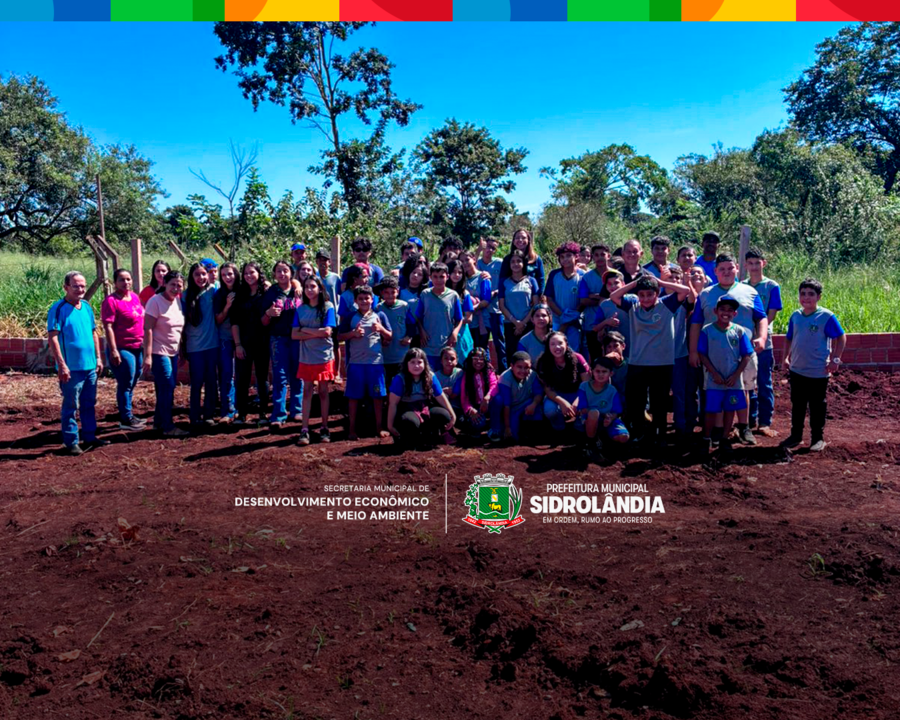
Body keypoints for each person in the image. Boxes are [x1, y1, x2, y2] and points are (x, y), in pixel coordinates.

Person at [689, 254, 768, 446]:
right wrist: (693, 351)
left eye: (730, 268)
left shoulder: (749, 292)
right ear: (715, 272)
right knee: (716, 389)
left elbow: (761, 317)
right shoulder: (706, 294)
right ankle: (717, 430)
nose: (726, 272)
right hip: (714, 354)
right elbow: (696, 322)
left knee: (744, 388)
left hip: (743, 353)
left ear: (737, 269)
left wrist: (762, 337)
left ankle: (744, 427)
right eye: (721, 269)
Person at [608, 274, 690, 448]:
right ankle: (639, 433)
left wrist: (659, 282)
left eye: (650, 294)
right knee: (636, 402)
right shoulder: (633, 306)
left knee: (659, 403)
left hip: (662, 364)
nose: (645, 299)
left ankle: (659, 435)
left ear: (657, 293)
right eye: (642, 295)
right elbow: (614, 296)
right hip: (638, 363)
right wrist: (635, 283)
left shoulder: (667, 304)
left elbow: (685, 290)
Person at [781, 278, 846, 452]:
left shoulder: (826, 317)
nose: (806, 298)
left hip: (818, 371)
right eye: (803, 294)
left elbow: (841, 337)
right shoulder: (795, 316)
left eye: (811, 294)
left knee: (817, 405)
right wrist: (785, 358)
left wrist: (835, 359)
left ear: (819, 297)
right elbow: (788, 338)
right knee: (798, 404)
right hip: (797, 369)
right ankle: (795, 436)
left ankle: (817, 438)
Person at [47, 271, 105, 455]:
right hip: (71, 369)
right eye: (75, 286)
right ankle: (71, 441)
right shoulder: (58, 309)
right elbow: (53, 338)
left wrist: (98, 357)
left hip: (90, 367)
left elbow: (94, 332)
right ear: (66, 287)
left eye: (82, 286)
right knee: (71, 405)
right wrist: (62, 365)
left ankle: (89, 436)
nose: (80, 289)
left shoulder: (87, 306)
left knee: (89, 402)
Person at [698, 295, 754, 451]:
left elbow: (746, 354)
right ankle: (706, 438)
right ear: (716, 311)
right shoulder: (707, 330)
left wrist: (736, 375)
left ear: (735, 314)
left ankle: (724, 438)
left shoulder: (739, 331)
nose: (726, 313)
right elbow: (702, 354)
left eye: (730, 310)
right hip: (714, 381)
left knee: (730, 409)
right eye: (722, 309)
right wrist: (714, 373)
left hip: (733, 381)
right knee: (711, 410)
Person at [338, 285, 392, 440]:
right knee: (354, 397)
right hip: (356, 364)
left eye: (367, 298)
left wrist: (381, 329)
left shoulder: (380, 315)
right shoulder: (350, 317)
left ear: (372, 299)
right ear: (355, 300)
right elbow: (339, 336)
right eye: (360, 298)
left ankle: (379, 427)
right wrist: (352, 334)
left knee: (378, 397)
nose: (364, 301)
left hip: (375, 364)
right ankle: (352, 429)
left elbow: (390, 337)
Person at [143, 270, 189, 438]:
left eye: (179, 285)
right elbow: (147, 328)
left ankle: (158, 423)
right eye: (172, 285)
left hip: (173, 352)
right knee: (167, 387)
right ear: (164, 284)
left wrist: (181, 351)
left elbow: (179, 329)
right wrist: (147, 355)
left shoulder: (178, 302)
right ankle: (168, 427)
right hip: (158, 351)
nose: (176, 288)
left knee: (165, 388)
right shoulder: (155, 302)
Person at [292, 275, 337, 446]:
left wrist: (305, 330)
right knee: (308, 391)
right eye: (307, 287)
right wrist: (314, 331)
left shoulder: (328, 307)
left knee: (324, 391)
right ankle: (304, 429)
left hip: (324, 356)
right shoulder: (300, 309)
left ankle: (324, 427)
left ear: (319, 288)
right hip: (307, 357)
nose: (309, 290)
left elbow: (327, 332)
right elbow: (294, 335)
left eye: (313, 286)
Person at [743, 248, 782, 437]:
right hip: (744, 342)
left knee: (764, 382)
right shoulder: (740, 286)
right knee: (746, 382)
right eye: (750, 263)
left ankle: (765, 422)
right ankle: (748, 421)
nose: (754, 267)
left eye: (757, 263)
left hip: (763, 342)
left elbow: (771, 314)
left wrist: (760, 334)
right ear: (745, 265)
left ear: (763, 263)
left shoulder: (771, 286)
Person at [101, 268, 145, 431]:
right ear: (115, 282)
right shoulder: (111, 301)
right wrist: (113, 350)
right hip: (122, 347)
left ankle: (128, 414)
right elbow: (108, 327)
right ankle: (125, 418)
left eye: (128, 279)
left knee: (133, 381)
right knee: (126, 382)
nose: (126, 282)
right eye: (121, 280)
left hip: (137, 346)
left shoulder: (134, 297)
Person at [261, 260, 304, 428]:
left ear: (291, 273)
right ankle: (278, 414)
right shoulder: (271, 293)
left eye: (285, 271)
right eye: (278, 271)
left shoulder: (298, 290)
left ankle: (297, 410)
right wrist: (268, 313)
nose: (282, 274)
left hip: (297, 337)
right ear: (274, 275)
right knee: (280, 376)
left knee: (297, 374)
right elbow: (263, 321)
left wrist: (298, 284)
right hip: (278, 338)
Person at [386, 348, 456, 449]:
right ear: (407, 364)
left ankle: (431, 435)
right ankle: (408, 438)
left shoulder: (431, 376)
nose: (416, 366)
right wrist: (390, 426)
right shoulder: (400, 379)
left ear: (425, 363)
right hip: (407, 408)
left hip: (425, 406)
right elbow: (393, 404)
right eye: (412, 362)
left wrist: (452, 415)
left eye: (419, 362)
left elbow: (440, 396)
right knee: (409, 421)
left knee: (443, 415)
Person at [232, 262, 271, 426]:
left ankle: (263, 413)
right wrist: (238, 344)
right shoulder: (240, 294)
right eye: (246, 273)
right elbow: (235, 321)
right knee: (242, 379)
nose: (248, 275)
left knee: (262, 379)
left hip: (262, 342)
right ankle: (241, 414)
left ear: (259, 273)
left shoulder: (266, 292)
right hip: (244, 343)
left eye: (252, 272)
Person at [182, 262, 220, 428]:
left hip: (212, 345)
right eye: (197, 274)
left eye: (204, 274)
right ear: (192, 277)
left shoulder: (213, 291)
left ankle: (209, 415)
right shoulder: (185, 296)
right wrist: (182, 348)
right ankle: (195, 416)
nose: (201, 277)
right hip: (194, 347)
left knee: (211, 381)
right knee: (196, 382)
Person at [575, 356, 630, 461]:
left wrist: (610, 418)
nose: (600, 374)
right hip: (589, 419)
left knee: (624, 437)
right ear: (592, 372)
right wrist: (601, 414)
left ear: (611, 374)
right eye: (597, 371)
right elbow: (582, 409)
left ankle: (604, 441)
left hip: (606, 421)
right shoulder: (584, 387)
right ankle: (591, 445)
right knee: (594, 413)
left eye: (604, 371)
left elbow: (616, 411)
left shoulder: (612, 390)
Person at [536, 331, 590, 432]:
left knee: (584, 407)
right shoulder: (544, 362)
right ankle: (559, 428)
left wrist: (577, 402)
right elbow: (547, 389)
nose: (557, 347)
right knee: (550, 410)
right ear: (548, 346)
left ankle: (578, 426)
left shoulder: (578, 358)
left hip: (578, 394)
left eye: (560, 343)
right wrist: (562, 402)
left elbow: (587, 384)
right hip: (557, 395)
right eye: (553, 344)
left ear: (566, 344)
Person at [415, 262, 465, 371]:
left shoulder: (453, 295)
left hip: (446, 344)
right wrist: (422, 331)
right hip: (428, 344)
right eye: (435, 277)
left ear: (447, 276)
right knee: (429, 375)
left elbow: (459, 319)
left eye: (442, 276)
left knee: (445, 374)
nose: (438, 280)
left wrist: (455, 333)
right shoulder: (425, 294)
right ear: (430, 277)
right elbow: (418, 317)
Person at [670, 265, 699, 442]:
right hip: (658, 356)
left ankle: (680, 424)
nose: (673, 282)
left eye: (676, 279)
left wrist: (688, 282)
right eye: (669, 279)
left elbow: (692, 299)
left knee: (679, 391)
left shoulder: (683, 303)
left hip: (679, 353)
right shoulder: (655, 300)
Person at [498, 250, 540, 368]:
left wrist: (523, 323)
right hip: (510, 324)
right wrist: (515, 322)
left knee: (530, 356)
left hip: (529, 324)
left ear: (524, 263)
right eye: (513, 262)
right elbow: (501, 305)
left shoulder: (531, 281)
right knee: (513, 356)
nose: (516, 264)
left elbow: (535, 305)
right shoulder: (503, 282)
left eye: (519, 261)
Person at [491, 351, 543, 443]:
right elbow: (507, 405)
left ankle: (529, 428)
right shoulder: (505, 378)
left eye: (526, 367)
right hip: (511, 407)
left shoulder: (533, 375)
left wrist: (533, 404)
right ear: (512, 366)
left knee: (537, 407)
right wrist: (507, 427)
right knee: (512, 437)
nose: (523, 371)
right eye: (519, 367)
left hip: (525, 403)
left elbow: (538, 394)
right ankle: (497, 428)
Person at [544, 242, 585, 351]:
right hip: (558, 320)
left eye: (568, 256)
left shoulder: (583, 276)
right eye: (562, 257)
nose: (565, 259)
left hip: (575, 323)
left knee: (573, 351)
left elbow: (583, 302)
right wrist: (563, 316)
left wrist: (571, 318)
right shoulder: (554, 274)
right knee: (557, 350)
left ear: (576, 257)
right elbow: (549, 299)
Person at [375, 276, 413, 385]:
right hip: (385, 354)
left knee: (401, 381)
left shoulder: (404, 306)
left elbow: (411, 325)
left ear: (398, 291)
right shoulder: (378, 308)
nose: (390, 295)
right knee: (386, 382)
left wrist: (409, 337)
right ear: (381, 293)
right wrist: (382, 339)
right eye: (386, 293)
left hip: (401, 353)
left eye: (393, 292)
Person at [476, 237, 507, 372]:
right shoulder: (477, 263)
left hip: (496, 309)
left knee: (499, 341)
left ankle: (503, 370)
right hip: (481, 310)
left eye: (493, 248)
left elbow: (506, 283)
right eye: (488, 246)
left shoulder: (499, 263)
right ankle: (486, 371)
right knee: (482, 342)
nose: (489, 250)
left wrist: (495, 292)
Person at [578, 244, 613, 362]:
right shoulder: (586, 277)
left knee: (614, 358)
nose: (600, 258)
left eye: (603, 254)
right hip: (592, 324)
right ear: (592, 257)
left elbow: (619, 298)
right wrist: (604, 299)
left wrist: (595, 296)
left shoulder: (616, 275)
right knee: (596, 359)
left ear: (609, 256)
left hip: (613, 323)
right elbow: (583, 300)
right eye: (596, 255)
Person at [213, 262, 239, 422]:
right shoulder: (219, 295)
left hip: (243, 339)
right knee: (227, 374)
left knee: (240, 375)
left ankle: (238, 409)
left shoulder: (243, 291)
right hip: (225, 338)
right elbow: (218, 319)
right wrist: (228, 306)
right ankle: (227, 410)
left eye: (230, 274)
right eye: (223, 275)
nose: (227, 277)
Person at [457, 347, 497, 435]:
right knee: (478, 423)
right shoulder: (466, 375)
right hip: (475, 406)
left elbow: (494, 385)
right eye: (475, 359)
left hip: (488, 404)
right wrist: (470, 409)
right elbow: (464, 396)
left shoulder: (489, 372)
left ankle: (494, 427)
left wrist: (487, 397)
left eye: (481, 359)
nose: (478, 362)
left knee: (498, 401)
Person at [316, 249, 342, 381]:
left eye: (325, 260)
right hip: (317, 317)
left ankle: (336, 373)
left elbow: (341, 296)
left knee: (335, 345)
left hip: (333, 317)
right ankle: (318, 374)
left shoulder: (335, 277)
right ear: (316, 261)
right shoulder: (314, 277)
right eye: (320, 260)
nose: (323, 262)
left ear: (329, 262)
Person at [461, 250, 493, 356]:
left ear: (474, 259)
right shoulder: (461, 279)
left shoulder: (483, 277)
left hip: (481, 321)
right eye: (462, 261)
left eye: (467, 259)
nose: (464, 263)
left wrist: (470, 309)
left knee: (481, 352)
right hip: (467, 323)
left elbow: (486, 300)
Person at [446, 258, 476, 364]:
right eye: (453, 272)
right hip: (443, 332)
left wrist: (455, 324)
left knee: (463, 364)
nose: (457, 275)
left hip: (461, 334)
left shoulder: (465, 294)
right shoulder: (441, 292)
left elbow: (469, 318)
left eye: (460, 272)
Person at [499, 228, 545, 296]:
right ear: (514, 241)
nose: (520, 240)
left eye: (523, 238)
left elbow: (541, 281)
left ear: (528, 240)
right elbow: (502, 280)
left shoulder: (536, 259)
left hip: (532, 298)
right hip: (512, 296)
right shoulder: (507, 259)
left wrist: (539, 297)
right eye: (517, 238)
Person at [597, 270, 630, 359]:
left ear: (623, 284)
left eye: (616, 283)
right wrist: (606, 322)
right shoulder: (604, 305)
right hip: (612, 349)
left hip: (633, 347)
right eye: (609, 284)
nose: (613, 286)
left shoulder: (632, 300)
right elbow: (595, 328)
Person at [602, 331, 629, 405]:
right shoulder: (602, 364)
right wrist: (605, 361)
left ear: (623, 346)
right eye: (609, 347)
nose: (612, 350)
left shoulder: (631, 365)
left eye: (615, 346)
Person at [434, 346, 462, 417]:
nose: (449, 361)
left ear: (456, 361)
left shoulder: (461, 373)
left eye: (452, 359)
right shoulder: (435, 376)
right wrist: (441, 393)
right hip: (442, 408)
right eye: (446, 358)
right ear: (441, 361)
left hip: (457, 407)